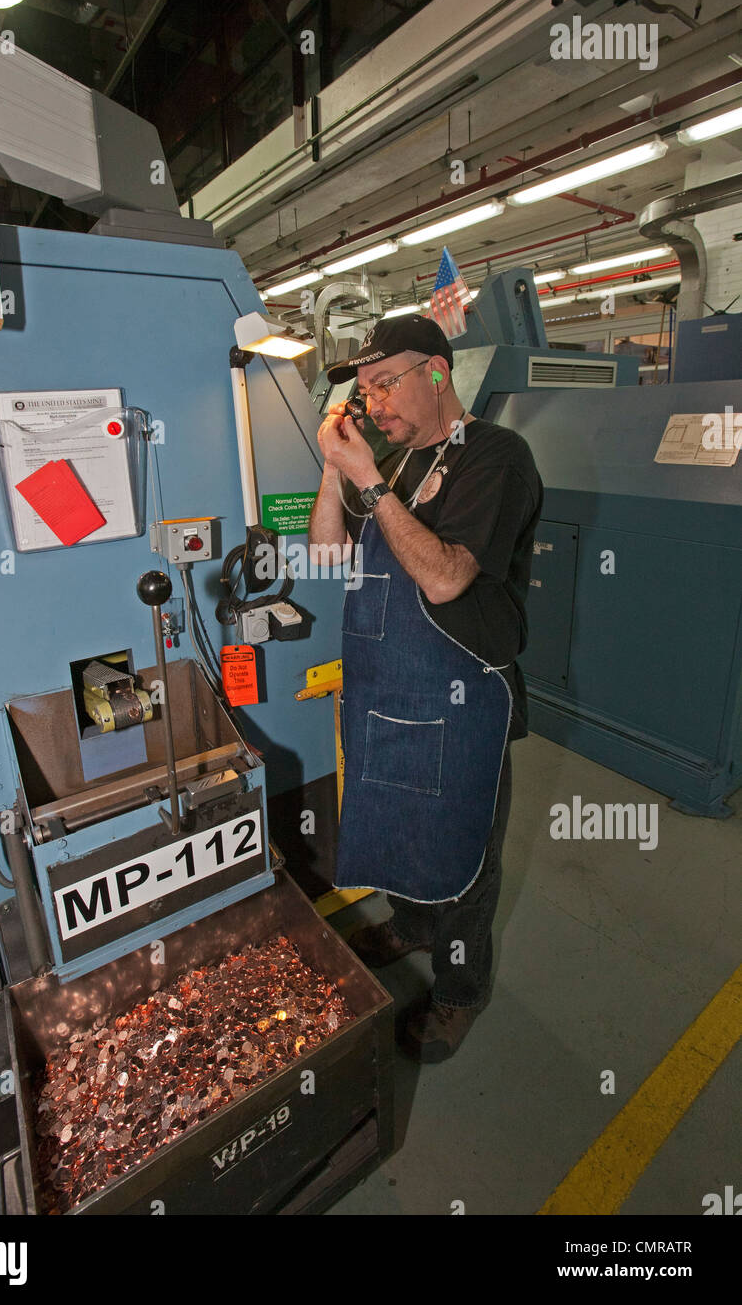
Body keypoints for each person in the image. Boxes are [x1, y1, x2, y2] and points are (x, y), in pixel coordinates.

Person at [308, 314, 543, 1062]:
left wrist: (371, 482)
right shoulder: (393, 461)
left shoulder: (495, 457)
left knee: (465, 857)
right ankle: (411, 924)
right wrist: (332, 468)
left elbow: (444, 579)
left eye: (386, 383)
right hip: (385, 691)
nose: (374, 404)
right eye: (364, 391)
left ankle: (458, 990)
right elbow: (322, 557)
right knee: (390, 823)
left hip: (459, 698)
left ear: (438, 372)